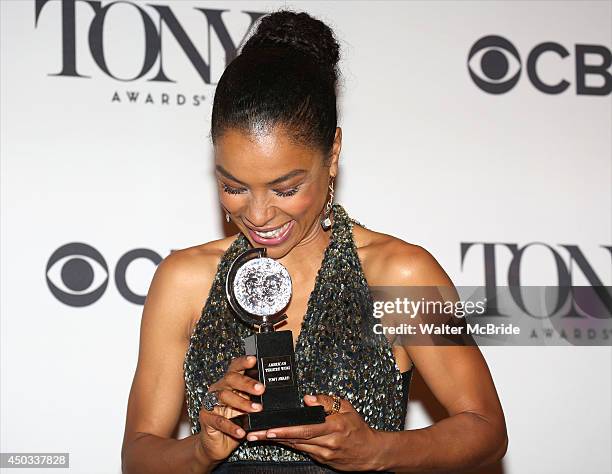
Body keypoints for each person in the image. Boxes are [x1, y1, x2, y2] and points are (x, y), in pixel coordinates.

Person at [121, 10, 507, 474]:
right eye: (234, 187)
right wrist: (201, 449)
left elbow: (486, 429)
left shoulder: (399, 273)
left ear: (333, 155)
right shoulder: (184, 281)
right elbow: (139, 455)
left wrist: (378, 450)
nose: (258, 215)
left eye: (285, 189)